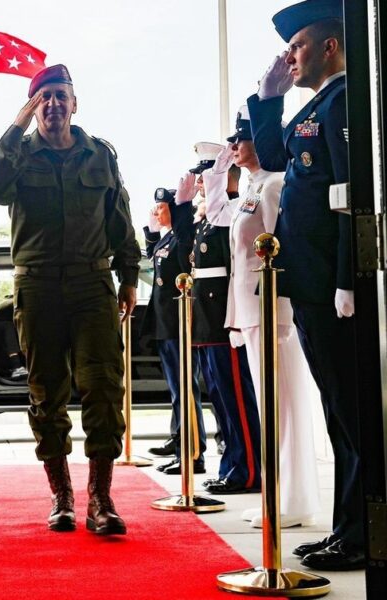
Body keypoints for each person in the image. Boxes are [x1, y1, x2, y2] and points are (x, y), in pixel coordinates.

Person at [0, 65, 139, 536]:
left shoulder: (100, 154)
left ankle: (101, 500)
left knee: (103, 389)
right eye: (42, 97)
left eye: (60, 96)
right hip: (39, 288)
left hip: (93, 288)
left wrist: (129, 276)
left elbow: (120, 219)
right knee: (47, 394)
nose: (52, 105)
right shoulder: (20, 156)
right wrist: (15, 127)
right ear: (34, 107)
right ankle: (62, 496)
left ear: (75, 103)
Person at [247, 0, 364, 570]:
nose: (289, 57)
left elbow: (350, 200)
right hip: (314, 284)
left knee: (352, 414)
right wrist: (268, 98)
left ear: (330, 47)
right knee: (340, 414)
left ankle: (360, 534)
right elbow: (272, 156)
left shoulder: (346, 103)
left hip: (333, 289)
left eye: (297, 47)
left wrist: (348, 280)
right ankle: (350, 529)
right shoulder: (316, 106)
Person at [203, 106, 320, 528]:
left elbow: (282, 254)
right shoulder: (253, 187)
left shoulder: (273, 186)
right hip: (252, 311)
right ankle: (277, 493)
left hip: (274, 312)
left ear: (263, 141)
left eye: (241, 139)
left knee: (284, 406)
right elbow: (220, 219)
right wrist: (216, 175)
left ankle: (294, 499)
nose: (234, 146)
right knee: (269, 407)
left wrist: (283, 314)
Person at [168, 143, 261, 492]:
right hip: (208, 321)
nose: (201, 183)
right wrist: (181, 209)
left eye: (207, 175)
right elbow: (185, 254)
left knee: (237, 398)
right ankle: (233, 465)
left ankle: (249, 470)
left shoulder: (233, 211)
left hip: (224, 319)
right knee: (222, 401)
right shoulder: (210, 218)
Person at [142, 188, 205, 473]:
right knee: (177, 388)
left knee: (185, 388)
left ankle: (193, 452)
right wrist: (151, 232)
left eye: (161, 208)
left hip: (179, 322)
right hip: (166, 323)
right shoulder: (167, 238)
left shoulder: (183, 236)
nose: (156, 212)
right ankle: (179, 438)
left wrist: (182, 208)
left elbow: (180, 258)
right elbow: (153, 258)